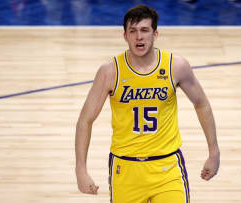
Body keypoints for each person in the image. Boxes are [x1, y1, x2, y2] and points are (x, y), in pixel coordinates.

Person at [75, 4, 220, 203]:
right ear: (125, 36)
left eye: (144, 30)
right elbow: (85, 120)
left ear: (155, 34)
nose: (139, 37)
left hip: (167, 167)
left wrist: (214, 152)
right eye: (132, 31)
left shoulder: (175, 66)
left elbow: (202, 104)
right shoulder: (110, 71)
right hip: (125, 169)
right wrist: (80, 170)